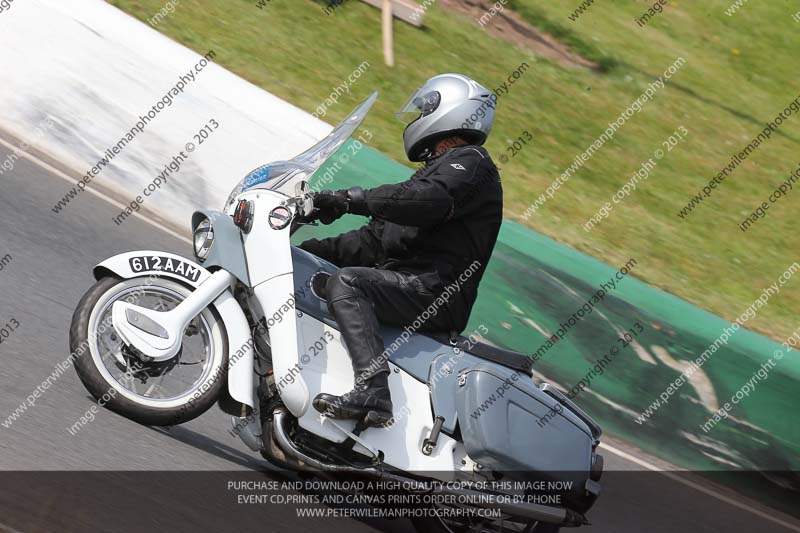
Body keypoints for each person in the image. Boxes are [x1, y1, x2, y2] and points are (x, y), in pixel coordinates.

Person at [299, 73, 503, 426]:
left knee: (349, 283)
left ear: (451, 111)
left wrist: (351, 199)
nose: (417, 116)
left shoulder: (471, 165)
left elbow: (427, 201)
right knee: (306, 268)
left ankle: (374, 392)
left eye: (425, 108)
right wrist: (305, 250)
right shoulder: (430, 174)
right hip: (407, 282)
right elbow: (370, 242)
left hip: (435, 291)